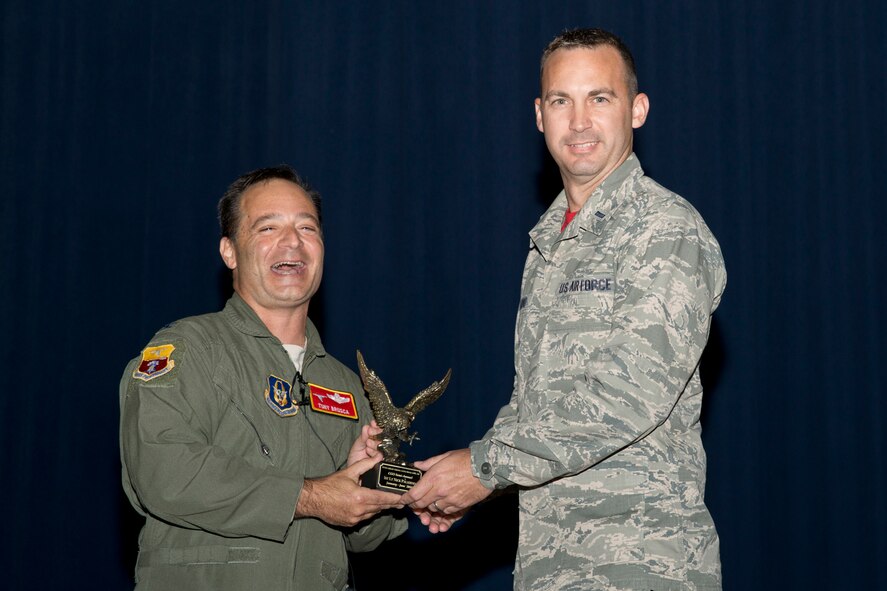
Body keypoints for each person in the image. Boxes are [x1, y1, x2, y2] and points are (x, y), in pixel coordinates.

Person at [402, 28, 726, 590]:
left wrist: (483, 468)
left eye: (599, 98)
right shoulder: (550, 242)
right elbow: (537, 406)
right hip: (552, 563)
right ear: (539, 115)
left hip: (640, 563)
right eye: (561, 100)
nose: (579, 121)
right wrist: (467, 484)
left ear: (638, 109)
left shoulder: (665, 228)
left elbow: (629, 392)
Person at [119, 165, 406, 590]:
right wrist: (312, 497)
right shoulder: (188, 351)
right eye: (267, 228)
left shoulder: (346, 384)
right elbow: (165, 473)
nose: (292, 241)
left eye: (307, 228)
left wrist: (377, 486)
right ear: (229, 251)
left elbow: (365, 537)